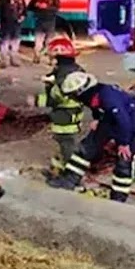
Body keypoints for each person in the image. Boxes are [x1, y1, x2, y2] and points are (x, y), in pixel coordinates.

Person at [48, 71, 135, 202]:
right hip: (108, 119)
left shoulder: (108, 97)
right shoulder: (94, 95)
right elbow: (96, 107)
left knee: (124, 160)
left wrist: (124, 143)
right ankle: (69, 180)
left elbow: (123, 120)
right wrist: (98, 119)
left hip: (128, 123)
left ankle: (119, 197)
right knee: (86, 148)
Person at [33, 36, 85, 176]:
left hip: (66, 116)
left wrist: (36, 100)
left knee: (67, 144)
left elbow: (56, 98)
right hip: (71, 114)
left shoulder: (64, 74)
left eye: (52, 57)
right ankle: (59, 168)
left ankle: (71, 175)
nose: (51, 60)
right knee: (64, 144)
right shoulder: (73, 69)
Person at [28, 0, 61, 64]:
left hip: (50, 23)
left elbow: (57, 8)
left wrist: (47, 7)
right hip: (39, 22)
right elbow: (29, 7)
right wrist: (36, 5)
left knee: (50, 42)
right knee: (38, 42)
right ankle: (36, 57)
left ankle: (51, 59)